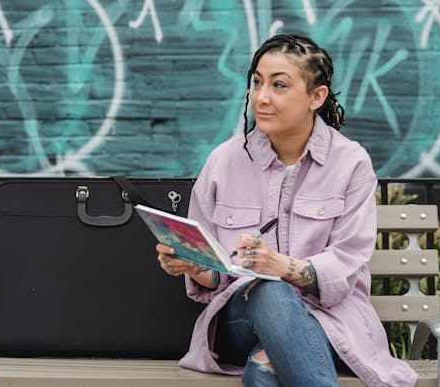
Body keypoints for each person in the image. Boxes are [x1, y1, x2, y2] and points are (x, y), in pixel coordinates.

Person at [155, 34, 418, 386]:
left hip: (332, 320)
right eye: (257, 83)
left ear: (316, 96)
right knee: (267, 290)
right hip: (240, 319)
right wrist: (193, 264)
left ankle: (272, 355)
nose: (261, 97)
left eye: (279, 85)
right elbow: (216, 273)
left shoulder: (350, 163)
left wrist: (283, 267)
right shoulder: (224, 161)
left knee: (265, 367)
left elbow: (347, 263)